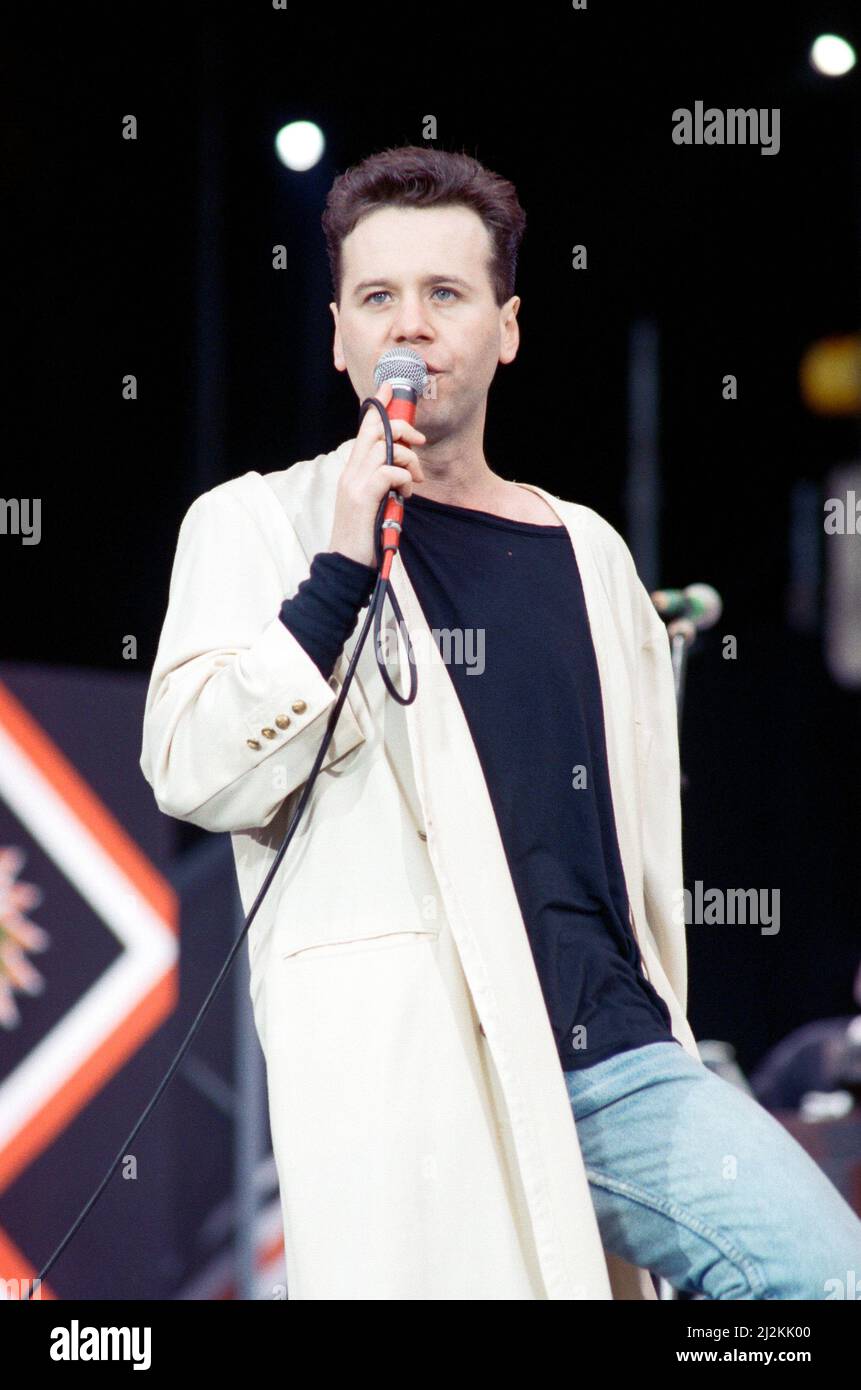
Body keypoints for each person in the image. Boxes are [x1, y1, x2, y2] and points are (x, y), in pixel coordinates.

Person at [140, 145, 861, 1300]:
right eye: (377, 296)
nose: (409, 327)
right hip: (421, 1082)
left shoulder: (589, 554)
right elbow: (188, 765)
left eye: (445, 294)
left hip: (613, 1056)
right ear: (338, 332)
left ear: (507, 325)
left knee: (822, 1274)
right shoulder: (258, 525)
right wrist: (334, 570)